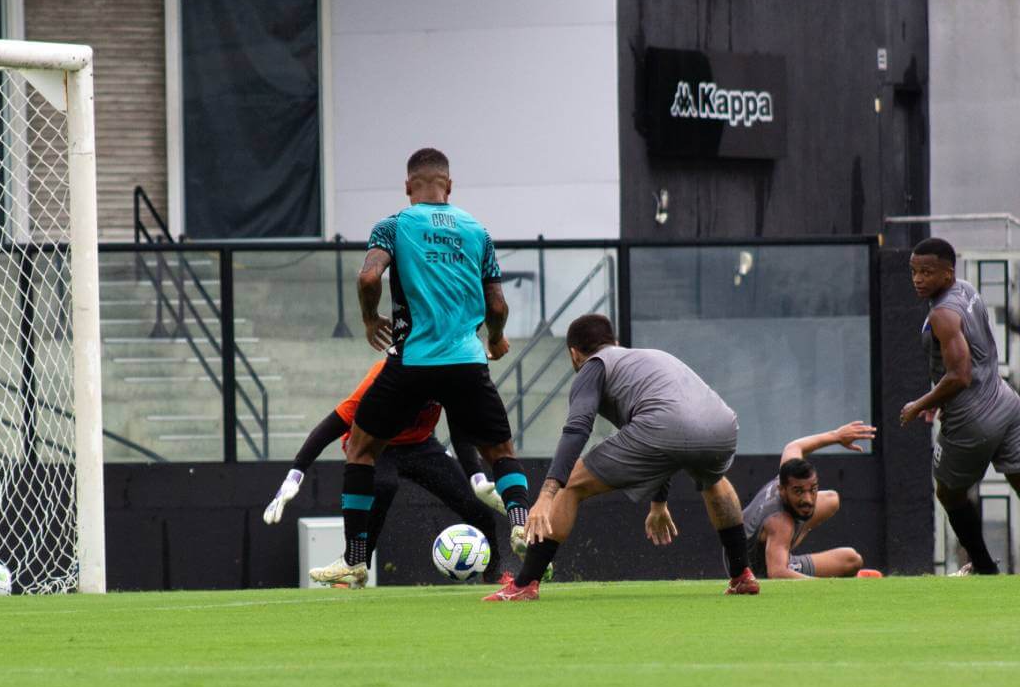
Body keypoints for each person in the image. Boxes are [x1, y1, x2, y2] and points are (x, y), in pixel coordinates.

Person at [309, 148, 531, 588]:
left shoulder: (393, 226)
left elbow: (369, 278)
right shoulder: (477, 231)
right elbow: (498, 304)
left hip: (413, 363)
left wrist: (372, 319)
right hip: (467, 362)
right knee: (501, 453)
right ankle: (522, 524)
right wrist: (496, 337)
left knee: (361, 449)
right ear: (449, 186)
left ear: (408, 186)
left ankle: (355, 561)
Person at [484, 313, 759, 602]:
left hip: (665, 427)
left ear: (574, 354)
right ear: (614, 342)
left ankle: (525, 584)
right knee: (714, 479)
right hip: (723, 426)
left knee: (571, 484)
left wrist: (547, 494)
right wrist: (659, 501)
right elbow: (668, 433)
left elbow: (578, 429)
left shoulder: (593, 367)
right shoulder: (648, 357)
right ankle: (742, 575)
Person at [264, 359, 510, 585]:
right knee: (384, 485)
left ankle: (494, 574)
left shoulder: (445, 372)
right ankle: (355, 564)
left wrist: (476, 476)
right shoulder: (385, 376)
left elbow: (461, 426)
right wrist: (295, 474)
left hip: (420, 445)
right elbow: (332, 425)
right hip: (375, 445)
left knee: (476, 507)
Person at [903, 237, 1020, 575]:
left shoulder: (942, 314)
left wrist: (918, 404)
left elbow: (959, 375)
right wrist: (939, 398)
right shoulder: (967, 290)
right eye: (914, 272)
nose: (919, 279)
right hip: (1006, 401)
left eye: (927, 272)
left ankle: (983, 566)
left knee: (949, 493)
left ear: (948, 273)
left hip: (973, 420)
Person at [743, 422, 876, 579]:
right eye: (798, 491)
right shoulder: (780, 522)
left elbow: (794, 447)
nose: (807, 499)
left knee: (831, 499)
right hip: (758, 569)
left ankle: (782, 550)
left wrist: (837, 436)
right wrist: (830, 586)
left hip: (750, 540)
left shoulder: (786, 474)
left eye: (812, 489)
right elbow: (778, 573)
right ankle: (784, 556)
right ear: (782, 490)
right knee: (852, 560)